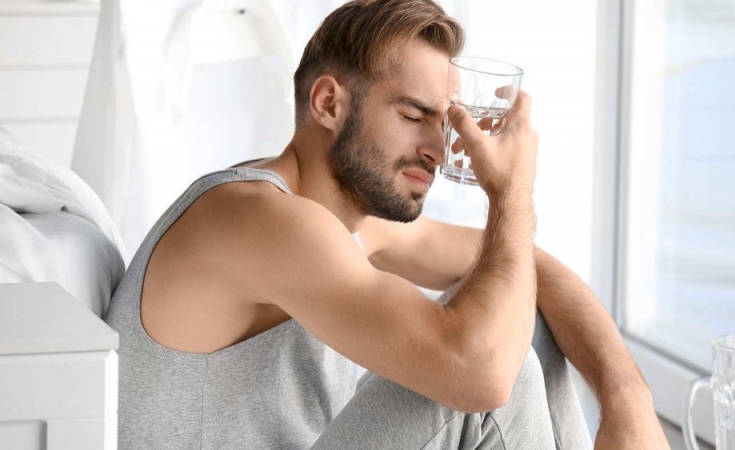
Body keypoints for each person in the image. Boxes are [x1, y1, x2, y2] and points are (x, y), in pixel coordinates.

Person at [105, 0, 670, 448]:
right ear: (329, 104)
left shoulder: (342, 218)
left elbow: (536, 269)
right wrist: (511, 192)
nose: (438, 150)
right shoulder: (258, 218)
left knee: (518, 305)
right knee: (494, 361)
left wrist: (628, 399)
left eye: (445, 124)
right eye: (413, 115)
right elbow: (481, 375)